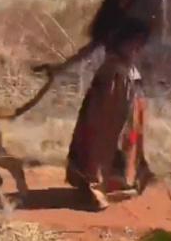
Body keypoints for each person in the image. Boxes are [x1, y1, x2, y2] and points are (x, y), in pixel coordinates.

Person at [60, 20, 155, 210]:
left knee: (129, 140)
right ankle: (94, 188)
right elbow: (92, 49)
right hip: (109, 97)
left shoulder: (131, 58)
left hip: (128, 97)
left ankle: (116, 182)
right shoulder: (113, 58)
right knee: (100, 140)